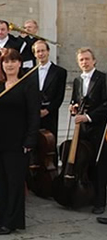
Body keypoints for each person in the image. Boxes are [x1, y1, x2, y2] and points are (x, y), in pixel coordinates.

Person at [0, 48, 39, 235]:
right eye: (6, 62)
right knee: (1, 182)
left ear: (19, 63)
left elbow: (34, 115)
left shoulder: (27, 85)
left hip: (17, 142)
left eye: (13, 61)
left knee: (15, 182)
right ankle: (3, 218)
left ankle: (12, 221)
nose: (9, 64)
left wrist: (30, 140)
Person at [70, 48, 107, 215]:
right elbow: (75, 100)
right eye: (81, 60)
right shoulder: (78, 80)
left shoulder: (103, 79)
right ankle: (88, 195)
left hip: (98, 127)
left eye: (87, 59)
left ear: (94, 61)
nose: (84, 62)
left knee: (99, 165)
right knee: (84, 162)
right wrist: (73, 108)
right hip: (82, 129)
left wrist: (89, 117)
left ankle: (100, 201)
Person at [32, 40, 67, 166]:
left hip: (50, 113)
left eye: (43, 50)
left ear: (48, 51)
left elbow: (59, 96)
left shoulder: (59, 72)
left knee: (50, 145)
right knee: (35, 144)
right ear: (35, 54)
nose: (41, 54)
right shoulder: (30, 72)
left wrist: (47, 111)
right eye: (38, 51)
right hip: (34, 114)